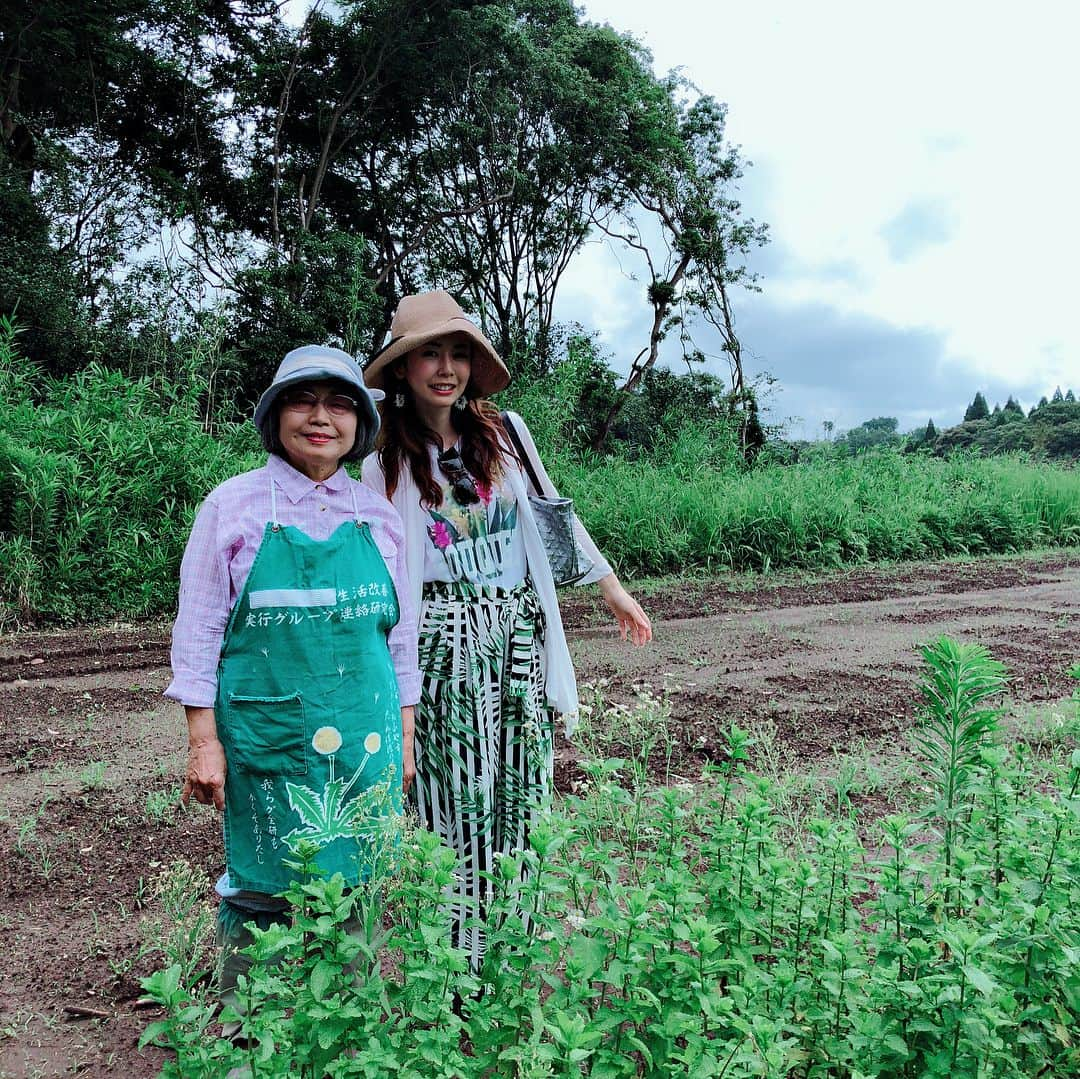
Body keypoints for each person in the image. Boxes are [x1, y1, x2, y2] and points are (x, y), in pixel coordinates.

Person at [362, 290, 651, 970]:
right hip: (437, 640)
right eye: (429, 352)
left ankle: (510, 961)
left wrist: (611, 588)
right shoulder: (383, 460)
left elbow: (552, 522)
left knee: (520, 799)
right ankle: (452, 970)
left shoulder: (506, 433)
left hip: (513, 636)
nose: (446, 368)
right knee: (452, 804)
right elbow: (375, 565)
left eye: (458, 353)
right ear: (402, 368)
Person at [165, 345, 420, 1025]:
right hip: (266, 732)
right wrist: (202, 741)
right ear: (276, 413)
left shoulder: (379, 516)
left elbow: (400, 644)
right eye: (303, 399)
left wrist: (406, 741)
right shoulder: (232, 506)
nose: (320, 417)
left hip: (363, 732)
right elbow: (198, 633)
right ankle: (253, 1029)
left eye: (339, 403)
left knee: (358, 875)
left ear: (359, 424)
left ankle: (344, 1020)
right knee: (261, 880)